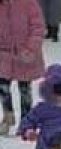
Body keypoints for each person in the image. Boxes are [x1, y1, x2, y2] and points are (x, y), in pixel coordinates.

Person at [0, 0, 46, 135]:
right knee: (3, 86)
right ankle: (8, 116)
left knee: (25, 88)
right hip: (4, 53)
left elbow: (38, 27)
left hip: (25, 53)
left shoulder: (28, 3)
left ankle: (26, 121)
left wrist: (31, 48)